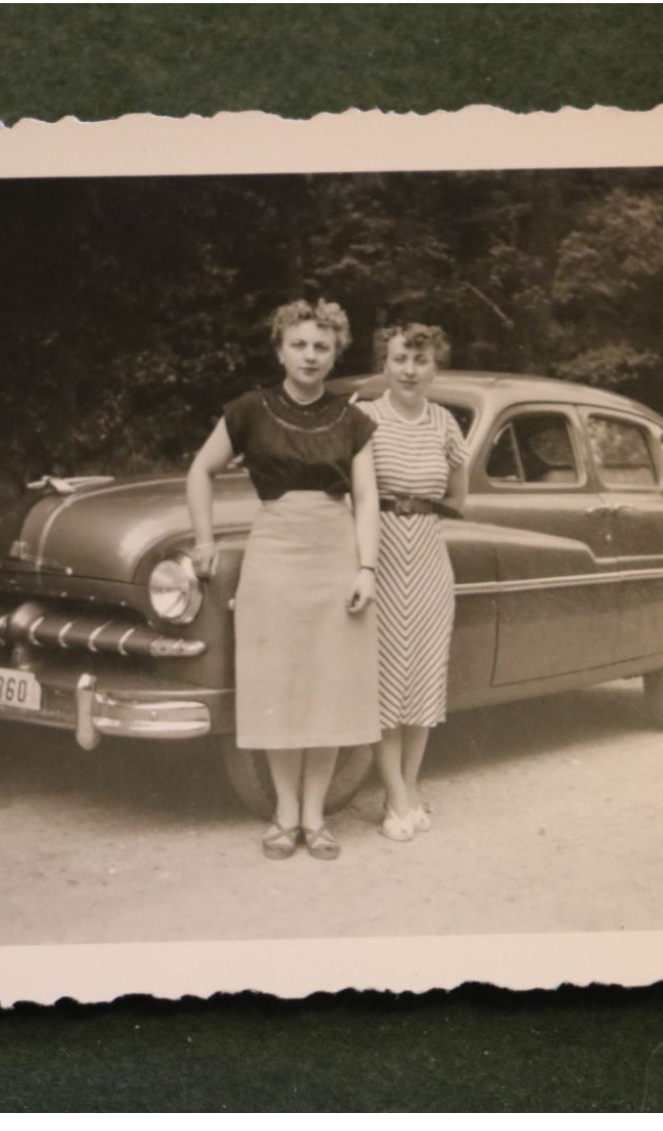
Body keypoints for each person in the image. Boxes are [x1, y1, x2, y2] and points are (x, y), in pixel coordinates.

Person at [186, 299, 380, 861]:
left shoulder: (353, 419)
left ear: (334, 353)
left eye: (322, 347)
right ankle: (283, 815)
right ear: (280, 349)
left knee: (328, 690)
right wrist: (203, 540)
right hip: (273, 556)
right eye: (299, 345)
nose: (311, 356)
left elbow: (366, 498)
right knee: (278, 688)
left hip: (335, 558)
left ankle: (316, 818)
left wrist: (366, 567)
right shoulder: (250, 410)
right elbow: (200, 470)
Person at [357, 324, 468, 841]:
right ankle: (396, 796)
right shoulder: (364, 416)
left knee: (422, 673)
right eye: (400, 358)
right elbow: (349, 495)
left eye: (420, 361)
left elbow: (458, 497)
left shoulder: (444, 422)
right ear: (384, 363)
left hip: (426, 552)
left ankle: (409, 785)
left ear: (434, 368)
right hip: (377, 549)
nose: (408, 370)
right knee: (384, 676)